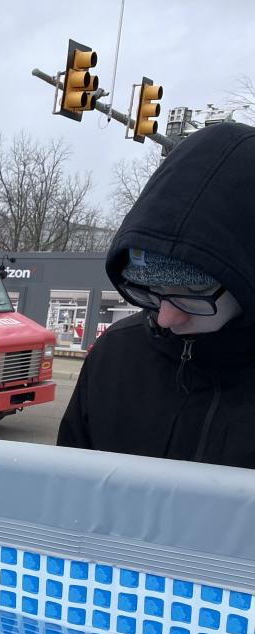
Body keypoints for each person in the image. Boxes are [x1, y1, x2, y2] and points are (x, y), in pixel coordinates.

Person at [57, 122, 255, 468]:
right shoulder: (116, 356)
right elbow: (68, 493)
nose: (165, 317)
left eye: (192, 292)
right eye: (153, 291)